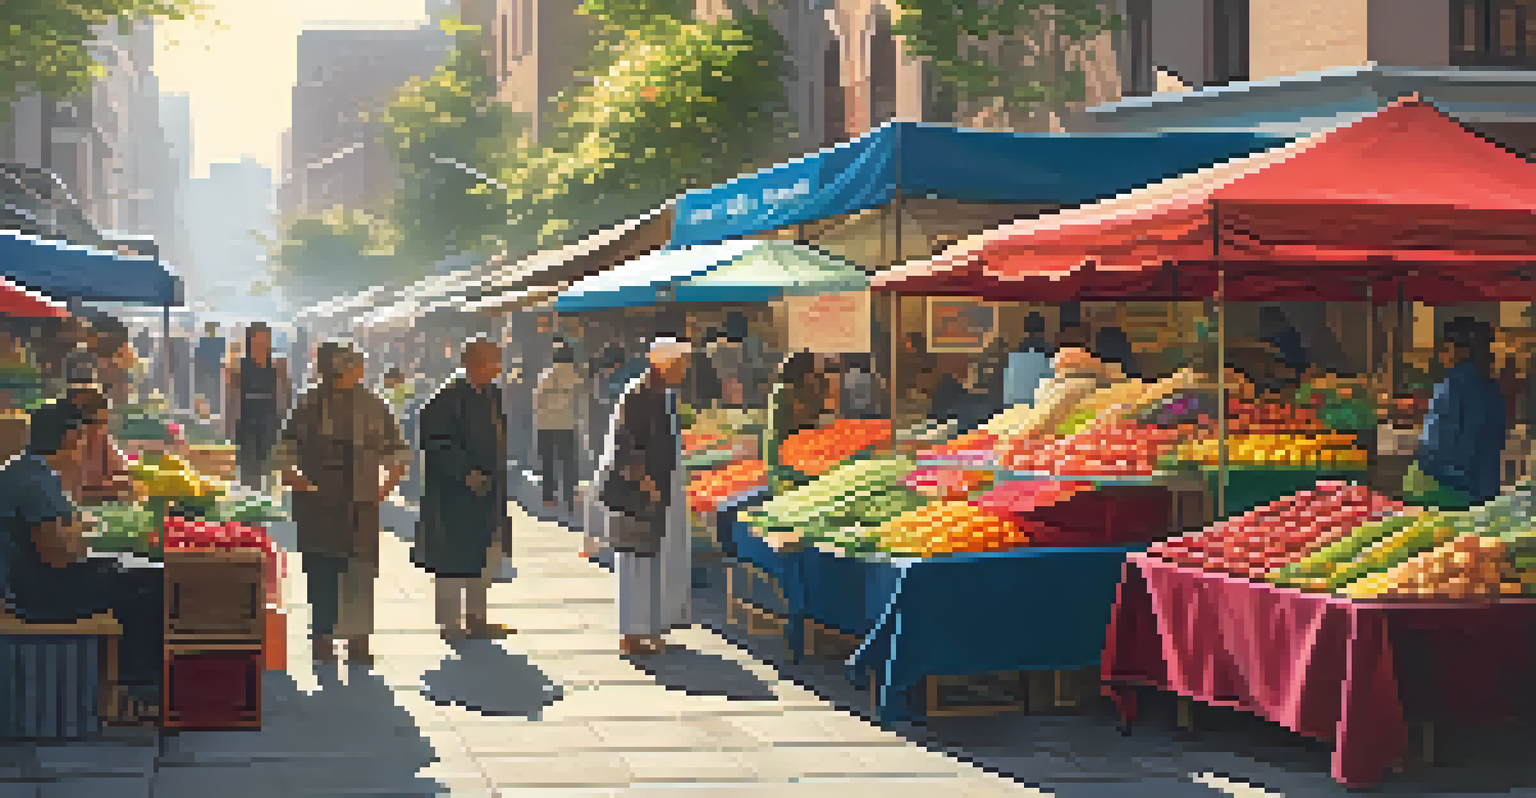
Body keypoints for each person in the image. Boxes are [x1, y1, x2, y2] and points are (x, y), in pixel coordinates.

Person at [0, 400, 165, 721]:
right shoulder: (35, 481)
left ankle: (134, 687)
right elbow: (58, 555)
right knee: (152, 582)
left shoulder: (28, 469)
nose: (83, 452)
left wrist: (78, 535)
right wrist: (80, 535)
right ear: (67, 440)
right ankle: (140, 694)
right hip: (36, 594)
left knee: (137, 570)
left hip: (31, 581)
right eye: (80, 442)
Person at [276, 341, 410, 665]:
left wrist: (385, 487)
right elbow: (284, 452)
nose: (358, 370)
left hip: (361, 503)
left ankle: (358, 640)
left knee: (360, 570)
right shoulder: (307, 404)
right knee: (321, 569)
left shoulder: (373, 404)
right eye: (351, 365)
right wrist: (296, 479)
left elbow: (397, 451)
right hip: (317, 503)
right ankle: (322, 637)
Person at [597, 337, 692, 657]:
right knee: (635, 562)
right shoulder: (639, 396)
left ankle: (644, 629)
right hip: (636, 494)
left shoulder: (657, 394)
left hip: (650, 491)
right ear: (664, 364)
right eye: (680, 364)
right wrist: (646, 482)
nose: (684, 370)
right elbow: (626, 445)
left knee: (646, 561)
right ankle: (631, 636)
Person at [417, 338, 514, 643]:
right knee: (451, 561)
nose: (498, 368)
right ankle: (449, 623)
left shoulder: (492, 395)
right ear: (472, 363)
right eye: (491, 361)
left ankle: (477, 619)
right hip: (454, 495)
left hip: (487, 492)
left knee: (483, 557)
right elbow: (435, 441)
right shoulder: (448, 397)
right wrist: (466, 472)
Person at [1409, 318, 1508, 509]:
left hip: (1449, 491)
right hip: (1485, 490)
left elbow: (1435, 445)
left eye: (1445, 349)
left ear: (1462, 352)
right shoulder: (1493, 389)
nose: (1440, 355)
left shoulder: (1451, 387)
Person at [227, 323, 292, 491]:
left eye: (265, 340)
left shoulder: (279, 363)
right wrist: (229, 425)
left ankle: (266, 501)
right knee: (248, 469)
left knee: (268, 468)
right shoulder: (239, 364)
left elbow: (286, 392)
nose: (261, 344)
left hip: (269, 418)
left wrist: (286, 417)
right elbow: (232, 396)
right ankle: (250, 501)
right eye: (257, 340)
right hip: (247, 418)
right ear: (249, 341)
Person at [62, 387, 136, 505]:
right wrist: (111, 492)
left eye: (105, 422)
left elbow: (122, 474)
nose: (100, 429)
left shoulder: (102, 440)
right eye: (94, 422)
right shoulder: (63, 449)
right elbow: (71, 497)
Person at [534, 343, 583, 513]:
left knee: (547, 462)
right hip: (567, 425)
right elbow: (580, 403)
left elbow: (537, 402)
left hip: (545, 424)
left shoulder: (545, 375)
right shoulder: (575, 377)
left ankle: (548, 498)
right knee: (568, 463)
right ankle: (569, 499)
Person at [1004, 313, 1054, 409]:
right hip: (1037, 405)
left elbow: (1008, 382)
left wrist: (1008, 403)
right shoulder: (1047, 353)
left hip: (1016, 403)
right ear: (1043, 330)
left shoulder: (1016, 352)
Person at [195, 323, 226, 417]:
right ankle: (206, 413)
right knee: (207, 394)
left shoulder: (219, 341)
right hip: (208, 373)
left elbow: (224, 357)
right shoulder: (205, 342)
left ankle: (213, 413)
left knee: (214, 394)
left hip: (215, 373)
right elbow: (198, 359)